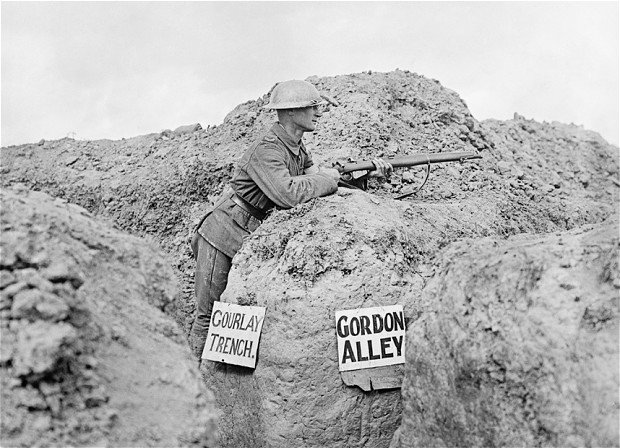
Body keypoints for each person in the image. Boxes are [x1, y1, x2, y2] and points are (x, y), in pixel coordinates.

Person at [189, 79, 392, 359]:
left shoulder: (297, 147)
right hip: (222, 232)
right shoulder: (268, 149)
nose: (318, 112)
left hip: (248, 232)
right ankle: (193, 388)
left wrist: (365, 177)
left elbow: (317, 184)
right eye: (312, 107)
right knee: (208, 315)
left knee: (234, 311)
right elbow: (289, 194)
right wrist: (326, 178)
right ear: (292, 112)